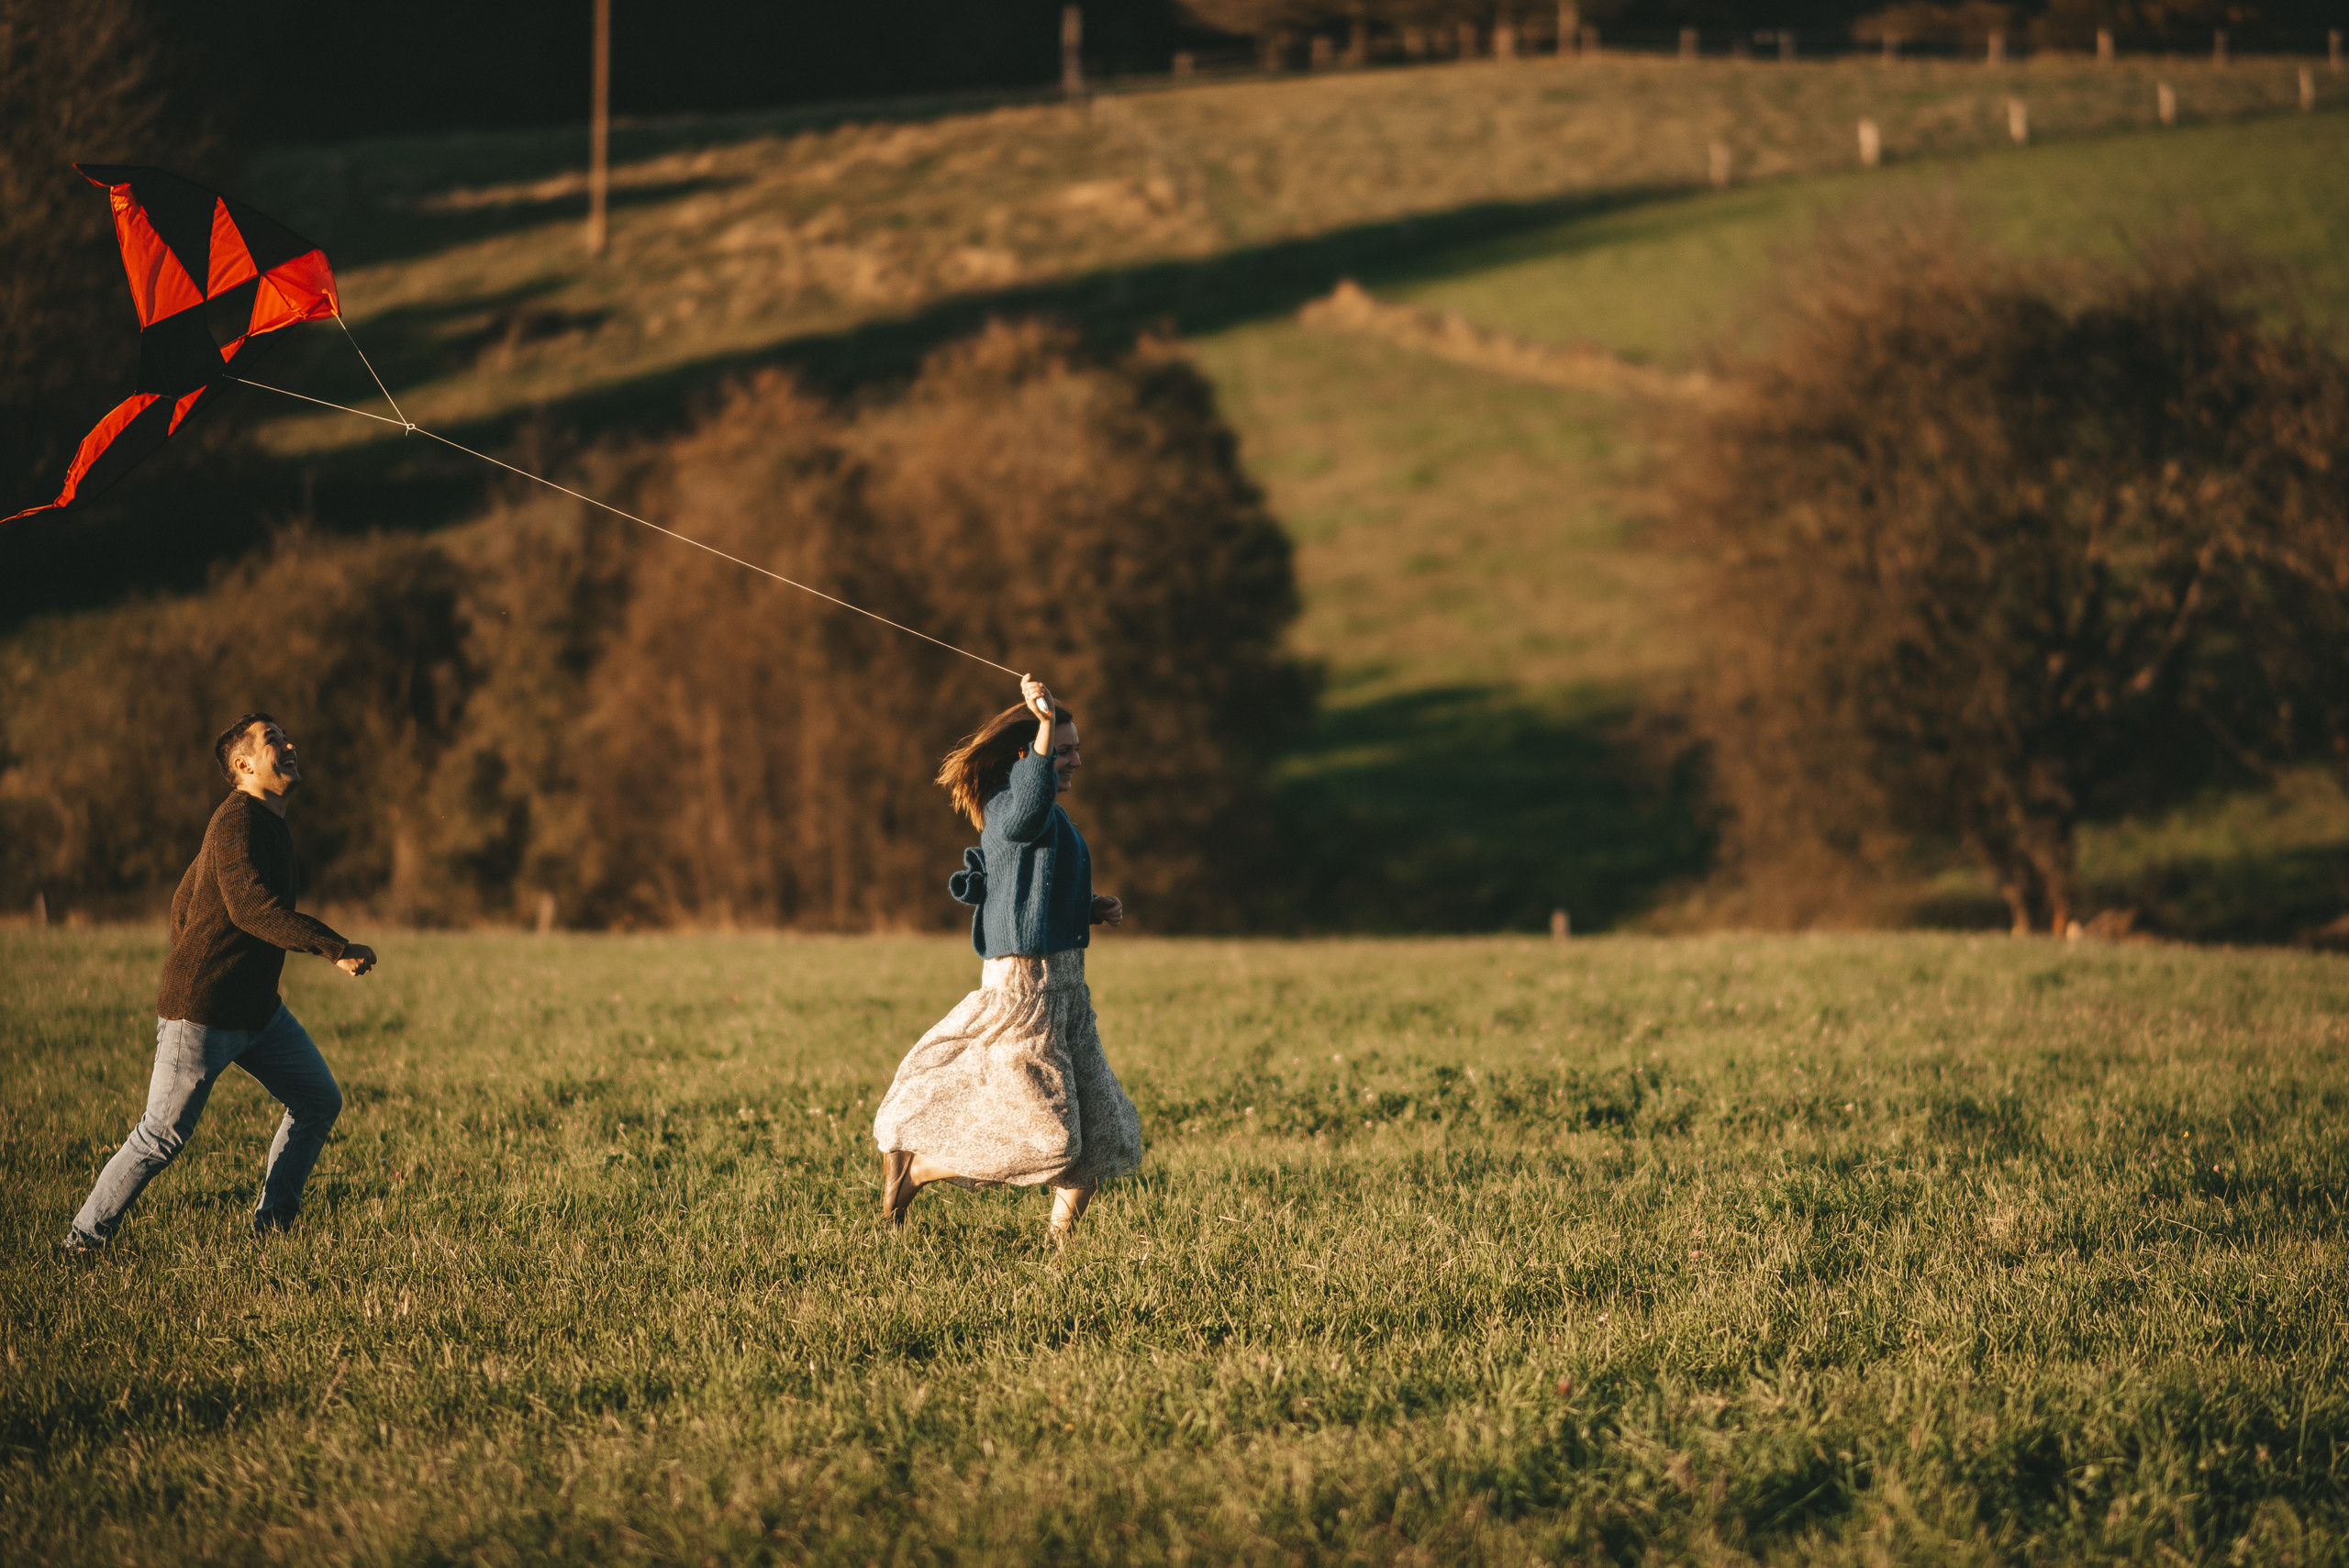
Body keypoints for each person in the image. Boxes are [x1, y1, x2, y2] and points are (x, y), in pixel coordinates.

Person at [63, 714, 376, 1252]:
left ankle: (273, 1226)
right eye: (274, 740)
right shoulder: (237, 821)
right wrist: (334, 947)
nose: (290, 744)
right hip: (203, 1013)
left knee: (318, 1099)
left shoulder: (267, 822)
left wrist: (206, 950)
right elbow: (254, 909)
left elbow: (183, 902)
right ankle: (83, 1241)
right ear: (244, 765)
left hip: (257, 1012)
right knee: (161, 1135)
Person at [873, 677, 1142, 1243]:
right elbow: (1027, 809)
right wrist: (1043, 724)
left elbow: (1029, 887)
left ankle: (1059, 1248)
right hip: (1025, 991)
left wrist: (1090, 907)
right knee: (1047, 1139)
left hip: (1067, 991)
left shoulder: (1052, 818)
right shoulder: (1010, 807)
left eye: (1074, 747)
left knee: (1103, 1133)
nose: (1075, 759)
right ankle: (918, 1169)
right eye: (1064, 749)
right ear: (1028, 756)